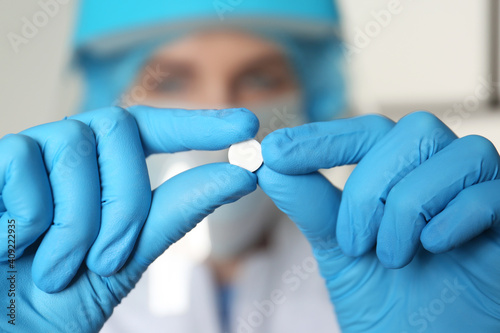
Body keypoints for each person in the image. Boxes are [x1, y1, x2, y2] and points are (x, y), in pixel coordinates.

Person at [1, 1, 499, 333]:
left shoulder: (400, 273)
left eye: (261, 78)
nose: (222, 106)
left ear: (315, 95)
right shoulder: (40, 286)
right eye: (169, 82)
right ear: (106, 102)